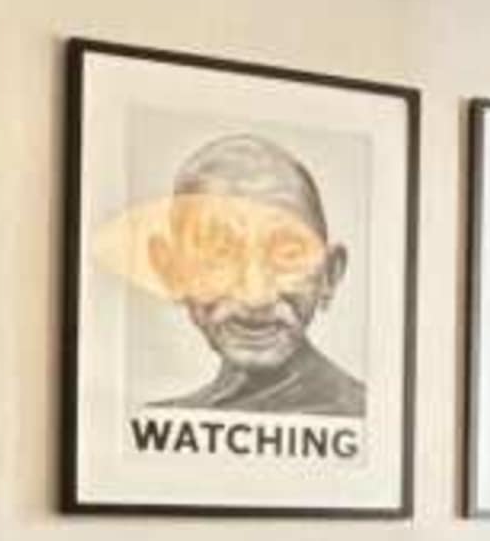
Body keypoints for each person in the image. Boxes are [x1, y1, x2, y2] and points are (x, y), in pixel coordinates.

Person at [144, 131, 366, 417]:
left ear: (329, 274)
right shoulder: (162, 423)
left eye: (288, 254)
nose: (255, 295)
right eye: (219, 254)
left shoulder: (363, 415)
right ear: (172, 272)